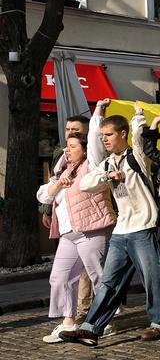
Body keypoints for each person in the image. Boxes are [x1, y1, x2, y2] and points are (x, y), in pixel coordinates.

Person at [60, 102, 160, 346]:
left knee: (153, 277)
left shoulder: (136, 156)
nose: (105, 139)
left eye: (109, 135)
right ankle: (91, 329)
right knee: (109, 282)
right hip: (121, 230)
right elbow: (86, 184)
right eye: (102, 135)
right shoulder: (107, 163)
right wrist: (107, 175)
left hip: (143, 227)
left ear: (122, 134)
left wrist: (138, 116)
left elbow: (139, 138)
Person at [36, 131, 115, 342]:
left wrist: (96, 116)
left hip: (91, 230)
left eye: (72, 146)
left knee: (99, 276)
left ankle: (105, 321)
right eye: (66, 147)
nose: (67, 151)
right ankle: (68, 322)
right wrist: (58, 184)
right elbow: (43, 195)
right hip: (68, 234)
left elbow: (95, 142)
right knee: (60, 277)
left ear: (85, 149)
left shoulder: (92, 165)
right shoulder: (65, 170)